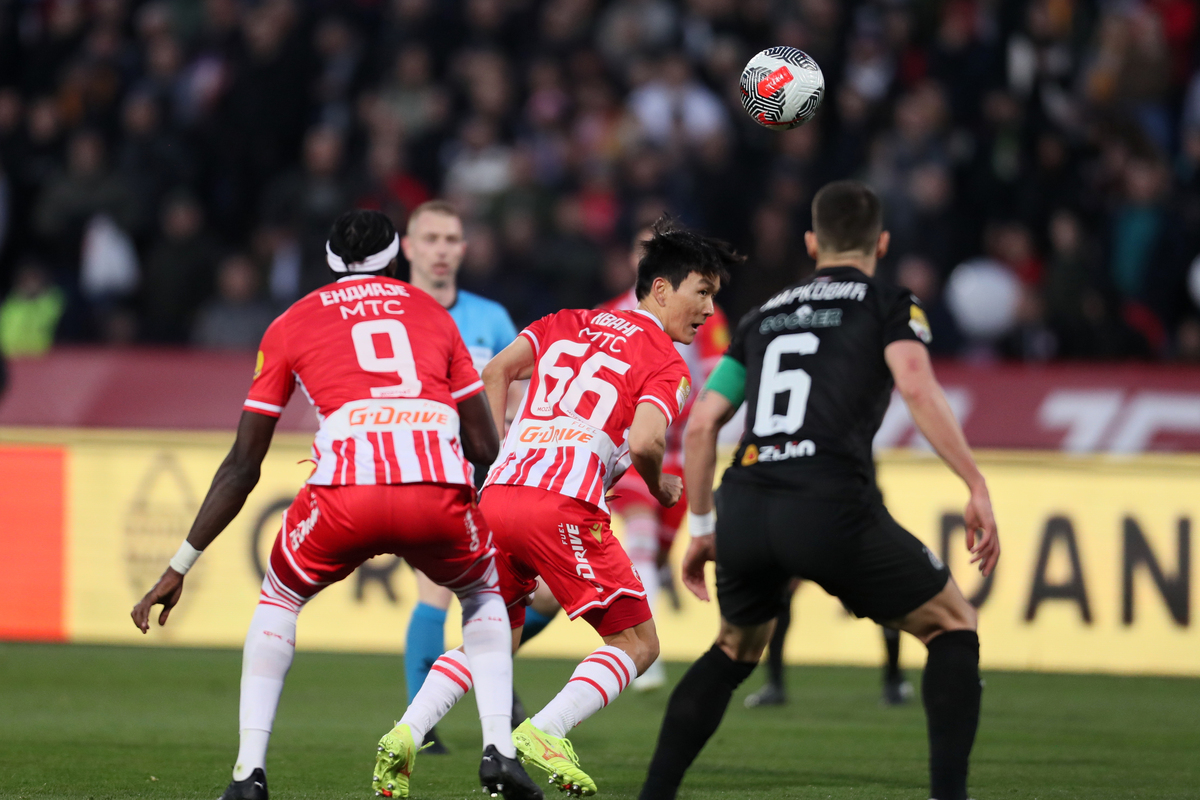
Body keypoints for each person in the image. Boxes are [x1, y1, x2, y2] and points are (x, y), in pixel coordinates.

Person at [130, 210, 542, 800]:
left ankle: (249, 773)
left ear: (328, 261)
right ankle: (499, 751)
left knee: (279, 598)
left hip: (345, 495)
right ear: (398, 257)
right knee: (481, 594)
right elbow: (482, 445)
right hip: (434, 491)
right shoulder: (435, 316)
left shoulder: (290, 324)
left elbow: (244, 465)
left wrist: (179, 566)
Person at [638, 181, 1000, 800]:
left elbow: (701, 425)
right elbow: (915, 385)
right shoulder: (890, 303)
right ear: (880, 243)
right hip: (828, 501)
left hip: (746, 505)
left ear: (811, 243)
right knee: (952, 625)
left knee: (733, 648)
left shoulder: (761, 317)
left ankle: (654, 796)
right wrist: (974, 482)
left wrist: (702, 530)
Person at [373, 218, 738, 797]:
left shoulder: (567, 321)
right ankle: (546, 730)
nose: (708, 310)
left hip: (497, 498)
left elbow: (495, 371)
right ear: (662, 289)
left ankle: (405, 732)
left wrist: (491, 460)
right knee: (638, 645)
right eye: (702, 293)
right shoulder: (666, 364)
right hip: (563, 506)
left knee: (495, 640)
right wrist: (661, 484)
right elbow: (646, 441)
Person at [397, 199, 523, 754]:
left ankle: (487, 679)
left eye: (451, 240)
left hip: (487, 470)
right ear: (408, 247)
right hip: (424, 470)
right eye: (431, 239)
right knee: (438, 593)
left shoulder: (490, 317)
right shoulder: (392, 311)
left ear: (465, 249)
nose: (442, 250)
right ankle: (420, 726)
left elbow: (519, 389)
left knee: (526, 593)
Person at [597, 226, 730, 690]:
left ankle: (630, 627)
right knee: (641, 530)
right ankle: (640, 656)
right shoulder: (606, 315)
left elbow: (718, 374)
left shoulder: (704, 314)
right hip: (631, 442)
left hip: (682, 448)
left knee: (655, 556)